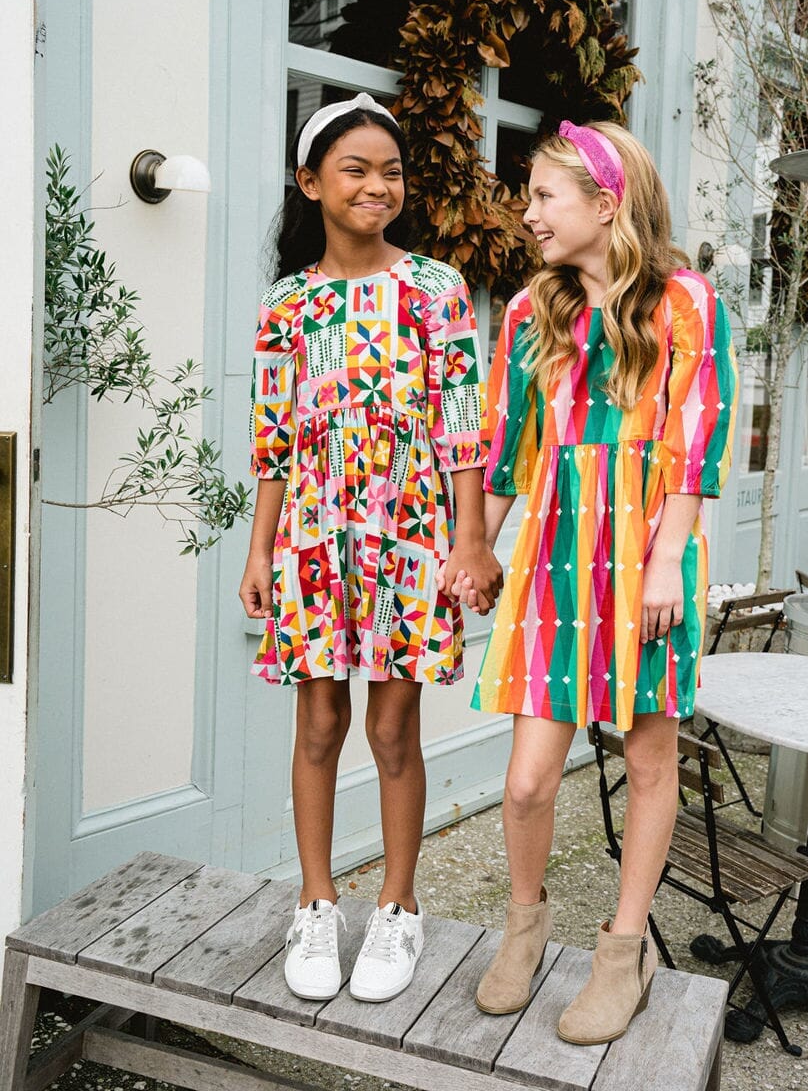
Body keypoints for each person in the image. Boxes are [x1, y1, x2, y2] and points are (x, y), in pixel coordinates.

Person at [443, 119, 738, 1044]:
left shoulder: (685, 302)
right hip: (559, 553)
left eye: (542, 196)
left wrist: (662, 566)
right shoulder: (534, 314)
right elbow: (506, 446)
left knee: (648, 760)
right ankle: (524, 925)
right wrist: (476, 549)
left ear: (604, 207)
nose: (526, 213)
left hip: (650, 549)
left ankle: (623, 951)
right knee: (529, 782)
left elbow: (696, 444)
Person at [239, 93, 503, 1005]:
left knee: (393, 729)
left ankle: (396, 908)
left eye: (390, 171)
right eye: (355, 169)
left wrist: (469, 537)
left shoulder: (433, 290)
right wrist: (259, 550)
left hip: (410, 537)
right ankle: (316, 903)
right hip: (314, 532)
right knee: (318, 724)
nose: (376, 186)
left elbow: (466, 426)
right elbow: (273, 436)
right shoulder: (286, 304)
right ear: (311, 182)